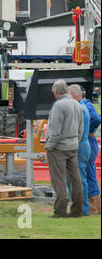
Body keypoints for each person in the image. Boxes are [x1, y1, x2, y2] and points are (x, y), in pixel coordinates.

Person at [45, 80, 84, 218]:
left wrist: (49, 147)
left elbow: (55, 131)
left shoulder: (58, 106)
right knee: (76, 179)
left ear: (56, 92)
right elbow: (80, 129)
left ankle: (60, 211)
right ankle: (77, 210)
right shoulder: (77, 104)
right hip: (73, 147)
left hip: (58, 148)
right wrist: (75, 142)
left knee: (59, 180)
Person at [68, 84, 91, 216]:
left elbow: (77, 130)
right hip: (83, 145)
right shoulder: (84, 107)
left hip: (79, 146)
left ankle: (82, 208)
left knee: (79, 179)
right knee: (80, 178)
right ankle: (81, 207)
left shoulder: (79, 110)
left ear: (72, 95)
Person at [81, 87, 101, 214]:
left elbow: (97, 119)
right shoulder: (88, 104)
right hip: (90, 140)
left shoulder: (86, 106)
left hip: (88, 140)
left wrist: (85, 130)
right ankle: (96, 205)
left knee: (89, 174)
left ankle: (93, 207)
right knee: (90, 173)